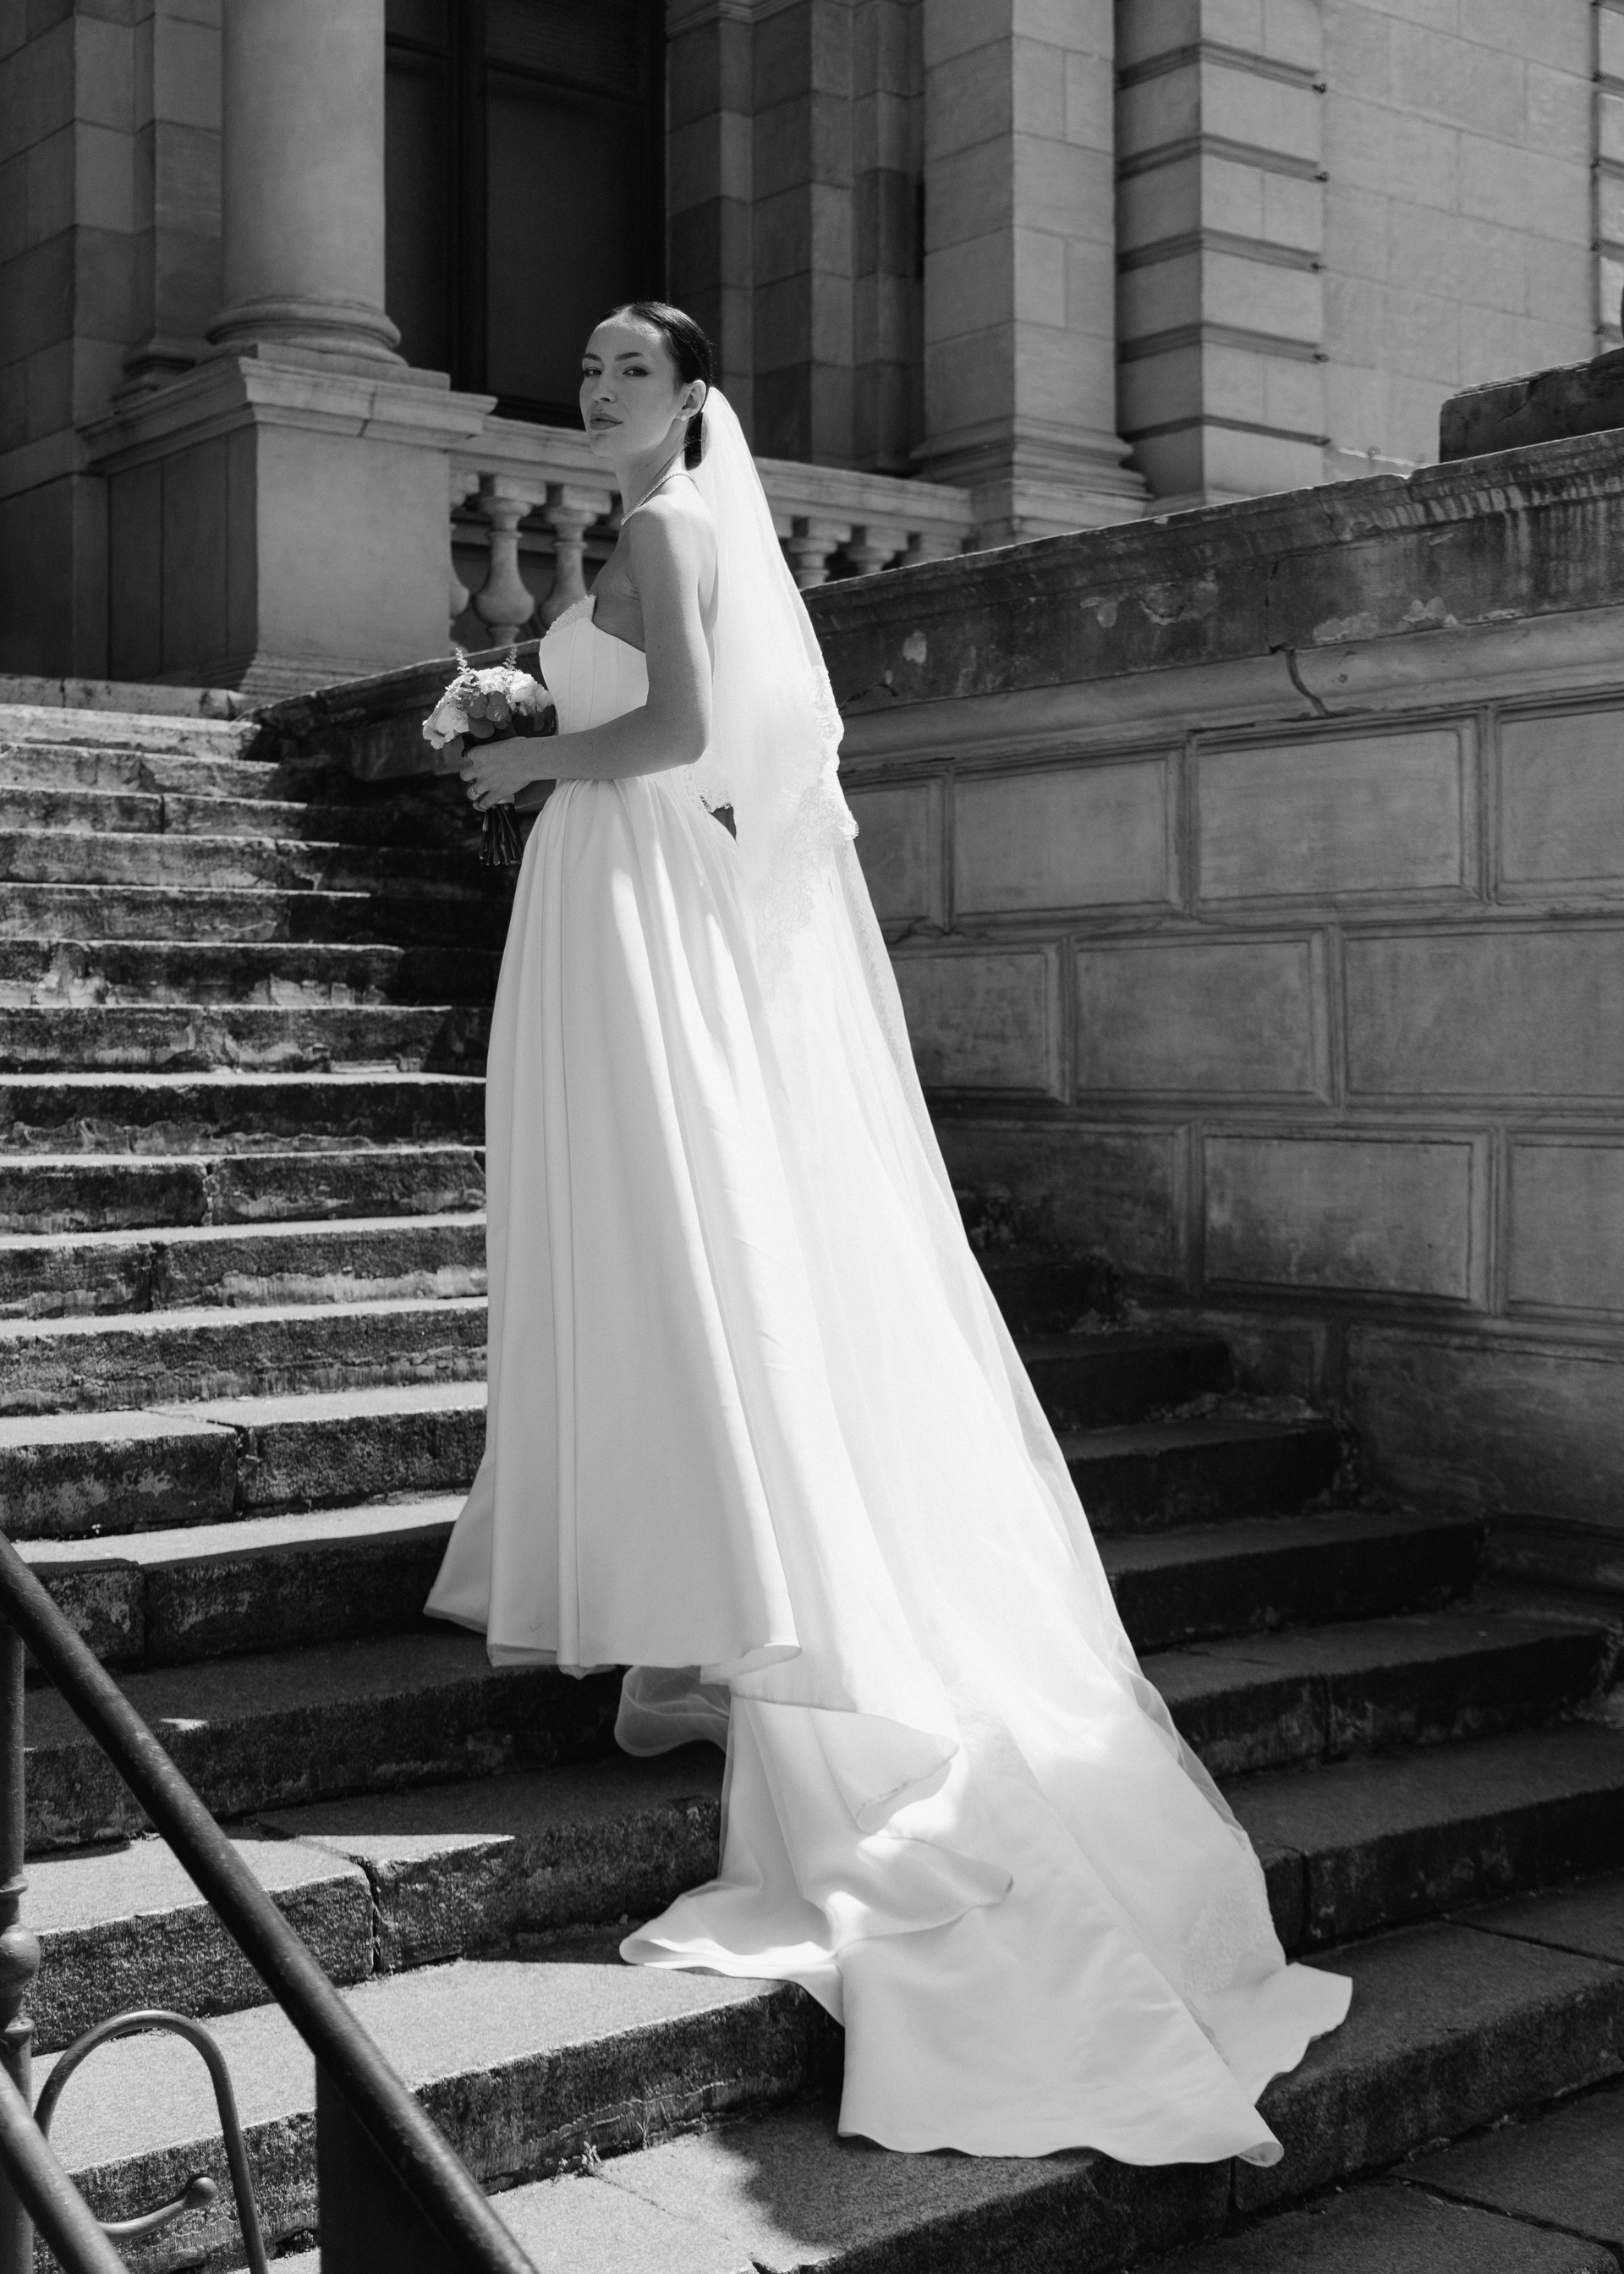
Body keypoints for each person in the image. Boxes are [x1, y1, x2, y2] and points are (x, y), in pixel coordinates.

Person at [426, 301, 1350, 2162]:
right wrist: (524, 715)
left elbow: (684, 731)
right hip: (610, 897)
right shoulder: (644, 532)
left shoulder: (669, 526)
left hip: (631, 889)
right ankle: (677, 1583)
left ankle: (728, 1595)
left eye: (630, 367)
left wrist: (523, 759)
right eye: (588, 366)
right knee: (635, 1231)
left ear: (695, 394)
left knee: (672, 1233)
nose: (597, 386)